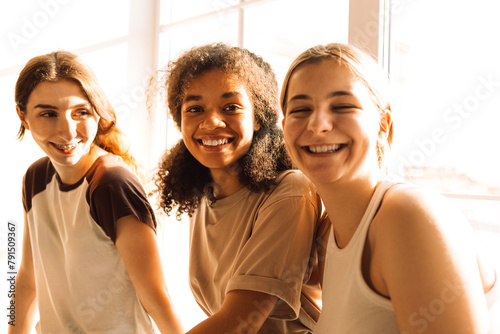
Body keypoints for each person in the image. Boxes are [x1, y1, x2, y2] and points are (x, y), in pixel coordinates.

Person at [280, 43, 499, 334]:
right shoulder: (326, 234)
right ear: (284, 128)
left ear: (383, 125)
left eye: (343, 106)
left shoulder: (409, 217)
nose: (317, 124)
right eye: (301, 109)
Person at [153, 43, 324, 333]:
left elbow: (241, 321)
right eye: (194, 109)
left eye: (231, 107)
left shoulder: (291, 191)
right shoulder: (205, 199)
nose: (211, 122)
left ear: (258, 118)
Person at [10, 51, 183, 334]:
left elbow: (157, 300)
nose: (67, 131)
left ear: (97, 112)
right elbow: (28, 280)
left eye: (81, 112)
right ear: (23, 116)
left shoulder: (111, 183)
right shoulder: (35, 178)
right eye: (48, 114)